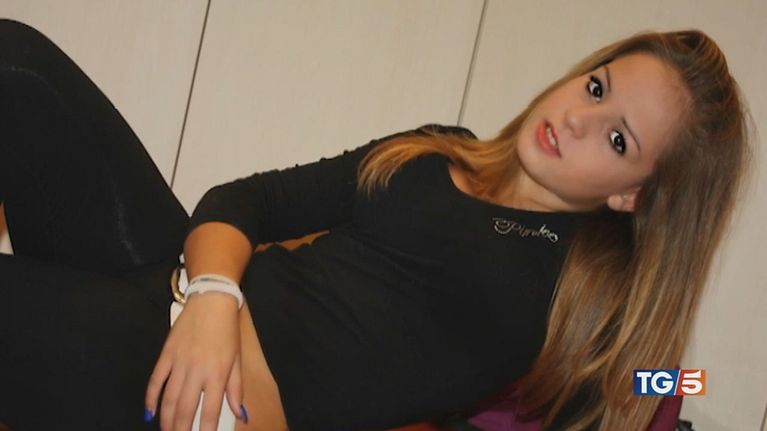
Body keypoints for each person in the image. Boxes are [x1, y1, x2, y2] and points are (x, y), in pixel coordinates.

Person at [0, 17, 750, 431]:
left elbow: (659, 384)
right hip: (187, 297)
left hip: (203, 401)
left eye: (617, 139)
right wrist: (212, 297)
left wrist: (684, 375)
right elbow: (247, 200)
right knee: (16, 63)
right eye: (596, 86)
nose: (580, 119)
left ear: (634, 196)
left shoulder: (571, 296)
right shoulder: (439, 148)